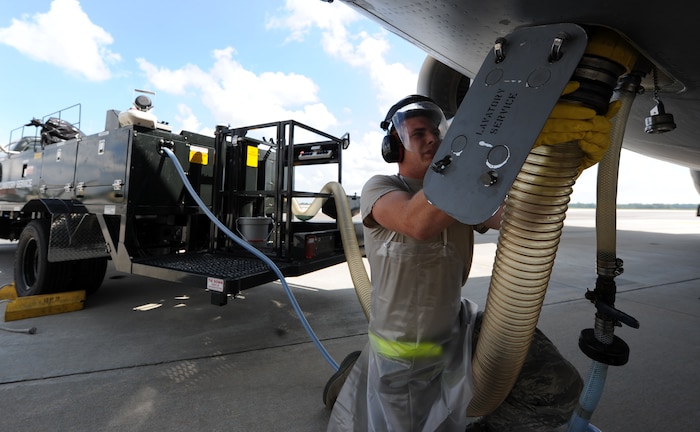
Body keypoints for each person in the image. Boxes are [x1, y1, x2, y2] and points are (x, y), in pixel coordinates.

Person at [325, 94, 601, 431]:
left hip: (459, 327)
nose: (431, 139)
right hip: (403, 350)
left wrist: (553, 162)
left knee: (558, 385)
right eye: (418, 134)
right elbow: (417, 223)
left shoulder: (463, 192)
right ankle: (350, 378)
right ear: (394, 148)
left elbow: (519, 217)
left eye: (435, 132)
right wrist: (469, 164)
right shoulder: (381, 187)